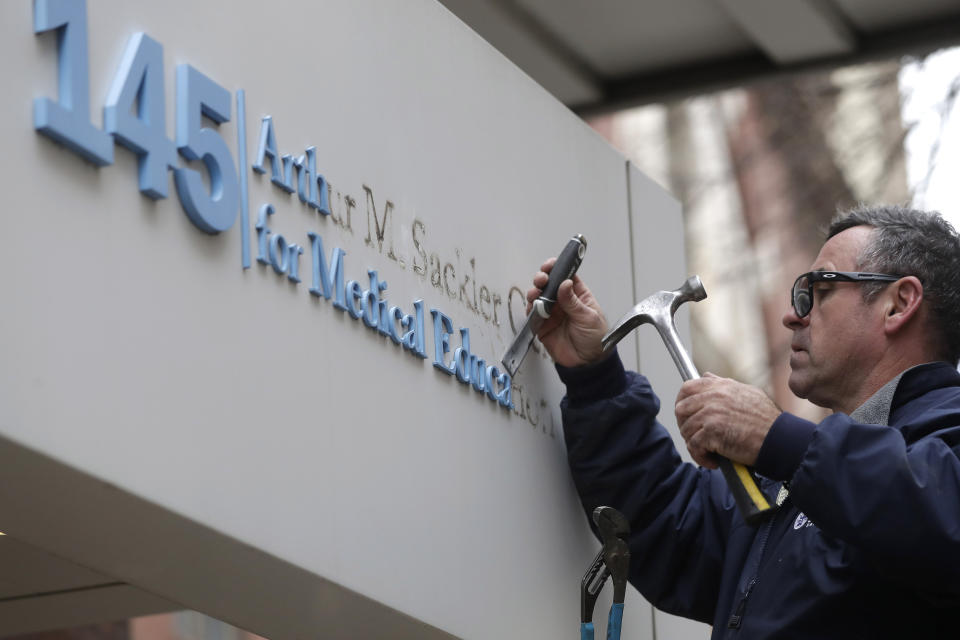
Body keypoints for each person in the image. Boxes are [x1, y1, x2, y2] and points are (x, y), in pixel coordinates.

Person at [528, 205, 960, 638]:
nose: (793, 315)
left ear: (898, 304)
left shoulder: (930, 445)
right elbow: (666, 521)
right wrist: (596, 379)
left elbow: (938, 517)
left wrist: (777, 439)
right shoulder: (790, 484)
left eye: (818, 289)